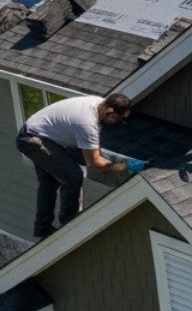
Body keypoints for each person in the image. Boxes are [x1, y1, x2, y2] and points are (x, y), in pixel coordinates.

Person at [16, 93, 141, 238]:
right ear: (110, 112)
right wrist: (120, 165)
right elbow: (93, 161)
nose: (118, 123)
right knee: (73, 177)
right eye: (118, 120)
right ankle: (69, 225)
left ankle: (42, 227)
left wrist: (104, 159)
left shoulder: (99, 103)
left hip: (49, 136)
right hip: (33, 140)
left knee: (50, 182)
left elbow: (94, 150)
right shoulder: (87, 123)